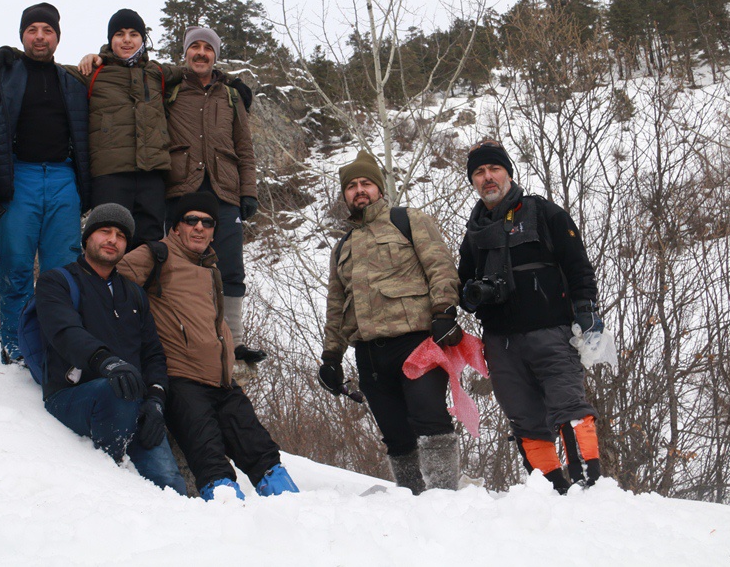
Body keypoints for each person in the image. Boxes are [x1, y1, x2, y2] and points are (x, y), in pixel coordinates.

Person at [118, 192, 297, 500]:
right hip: (182, 379)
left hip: (223, 381)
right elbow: (108, 280)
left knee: (263, 454)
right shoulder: (156, 255)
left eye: (207, 222)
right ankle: (226, 517)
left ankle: (293, 509)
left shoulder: (211, 267)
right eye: (191, 220)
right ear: (176, 227)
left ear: (214, 231)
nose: (199, 227)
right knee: (210, 460)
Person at [458, 139, 604, 492]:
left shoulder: (543, 213)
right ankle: (552, 492)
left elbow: (578, 265)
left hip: (551, 331)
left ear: (508, 173)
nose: (488, 177)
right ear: (473, 181)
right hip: (500, 342)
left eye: (494, 169)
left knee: (569, 407)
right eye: (479, 172)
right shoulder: (474, 233)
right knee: (524, 419)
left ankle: (589, 489)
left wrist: (586, 310)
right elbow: (462, 287)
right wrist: (471, 294)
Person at [318, 150, 463, 492]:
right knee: (396, 435)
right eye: (351, 186)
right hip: (369, 354)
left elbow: (440, 266)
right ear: (345, 195)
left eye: (365, 183)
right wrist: (331, 357)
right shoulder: (341, 248)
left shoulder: (408, 220)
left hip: (416, 342)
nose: (359, 190)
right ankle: (411, 498)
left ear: (379, 189)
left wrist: (444, 312)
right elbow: (336, 306)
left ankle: (445, 498)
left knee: (430, 418)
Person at [0, 2, 91, 364]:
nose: (40, 37)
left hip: (63, 177)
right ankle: (16, 344)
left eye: (47, 30)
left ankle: (56, 345)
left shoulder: (71, 81)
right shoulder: (3, 73)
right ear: (22, 35)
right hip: (17, 177)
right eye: (32, 30)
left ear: (57, 37)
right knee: (16, 266)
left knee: (62, 272)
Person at [34, 204, 187, 495]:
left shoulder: (134, 293)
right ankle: (111, 485)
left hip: (132, 400)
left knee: (170, 484)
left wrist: (155, 400)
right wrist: (107, 363)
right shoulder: (57, 282)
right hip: (74, 395)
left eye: (121, 235)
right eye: (104, 231)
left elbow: (153, 353)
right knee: (117, 391)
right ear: (87, 238)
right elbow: (65, 332)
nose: (112, 239)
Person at [164, 26, 257, 349]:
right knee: (180, 267)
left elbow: (244, 147)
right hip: (181, 191)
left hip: (224, 192)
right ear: (186, 52)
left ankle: (234, 342)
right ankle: (183, 340)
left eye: (208, 48)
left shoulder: (231, 96)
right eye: (195, 47)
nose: (201, 53)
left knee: (230, 267)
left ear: (215, 55)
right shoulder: (170, 91)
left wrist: (248, 192)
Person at [70, 9, 185, 248]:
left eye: (133, 34)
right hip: (109, 176)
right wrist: (12, 54)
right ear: (110, 39)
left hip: (152, 175)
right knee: (109, 245)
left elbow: (194, 72)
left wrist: (230, 80)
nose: (126, 40)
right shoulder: (93, 73)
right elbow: (49, 69)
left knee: (151, 246)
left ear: (143, 39)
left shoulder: (156, 73)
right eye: (119, 34)